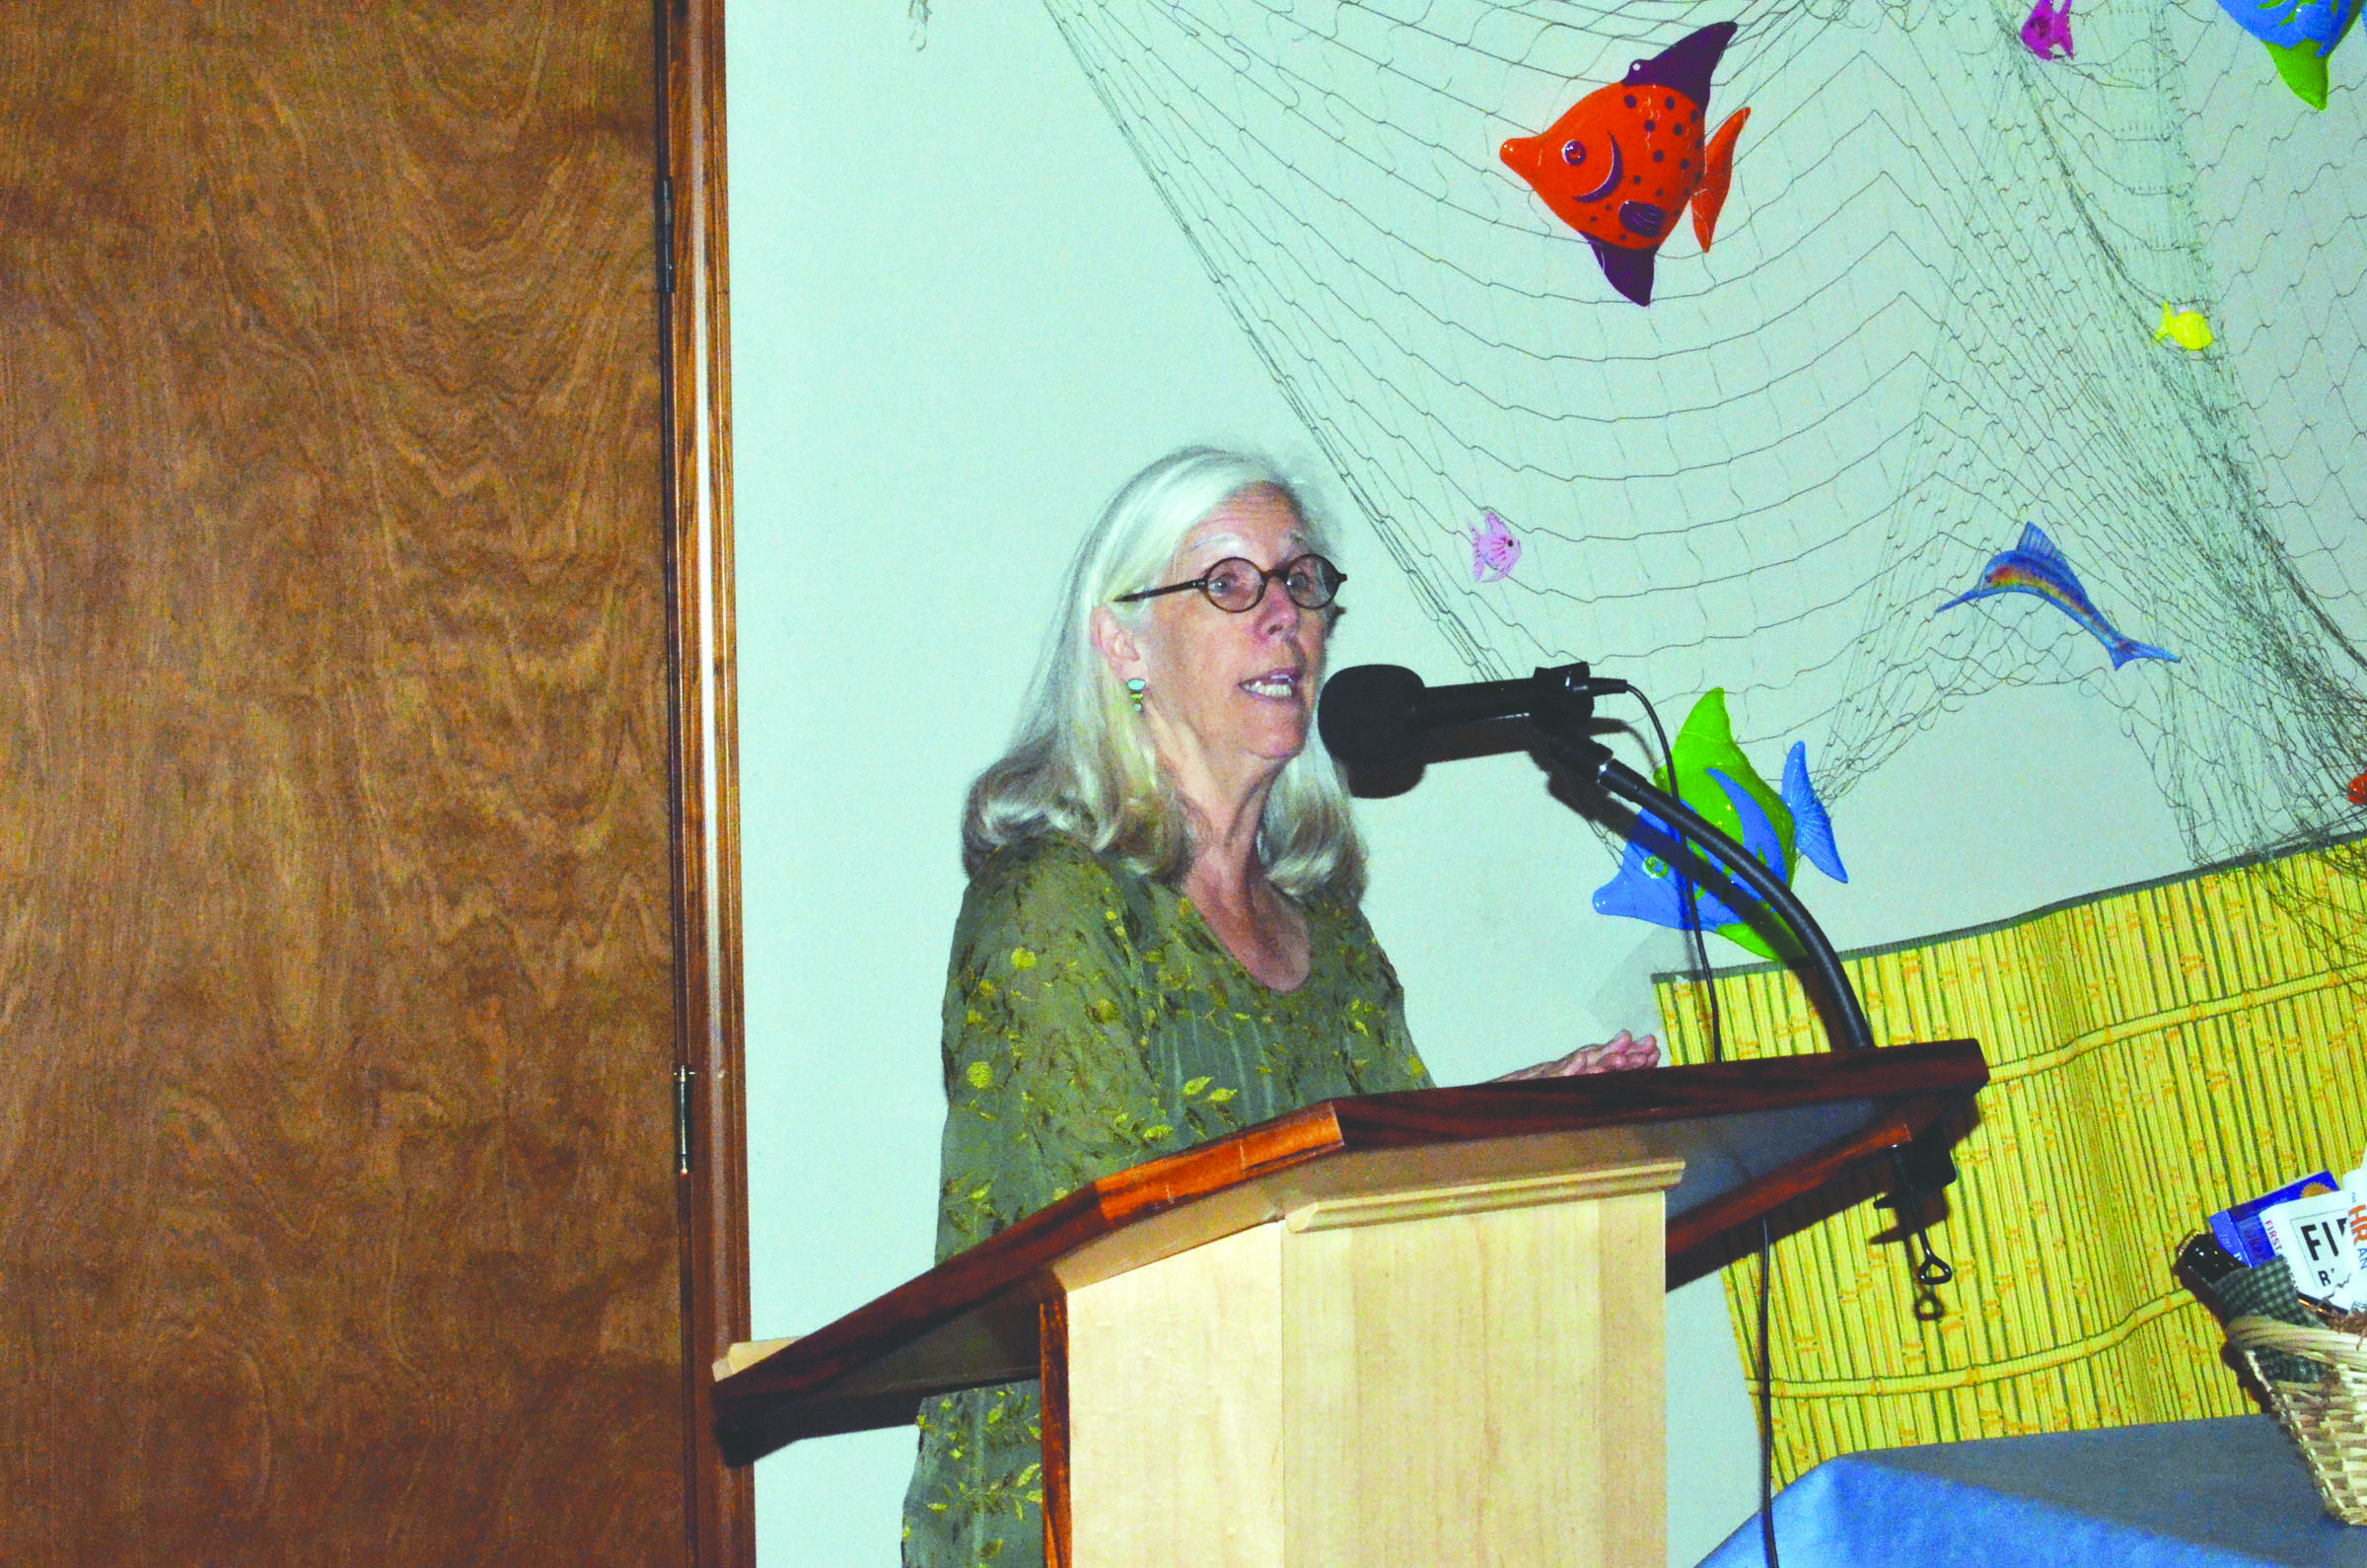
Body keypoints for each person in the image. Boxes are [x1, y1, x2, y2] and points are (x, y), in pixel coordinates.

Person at [900, 448, 1657, 1566]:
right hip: (1092, 1502)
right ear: (1122, 644)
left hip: (1312, 1494)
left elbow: (1382, 1200)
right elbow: (1130, 1251)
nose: (1283, 619)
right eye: (1228, 586)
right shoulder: (1053, 906)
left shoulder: (1326, 923)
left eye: (1302, 585)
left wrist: (1502, 1131)